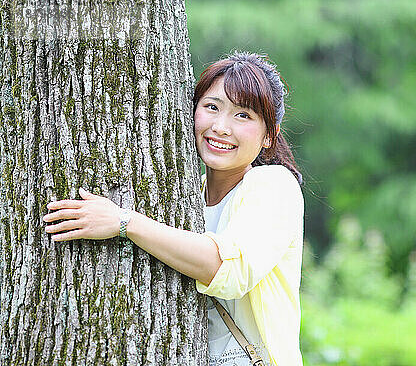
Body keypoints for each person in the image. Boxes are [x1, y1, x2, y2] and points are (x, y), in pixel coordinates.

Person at [43, 52, 304, 366]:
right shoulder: (185, 195)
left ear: (268, 136)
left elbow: (227, 268)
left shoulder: (274, 185)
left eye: (243, 115)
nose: (221, 127)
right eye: (212, 107)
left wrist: (124, 222)